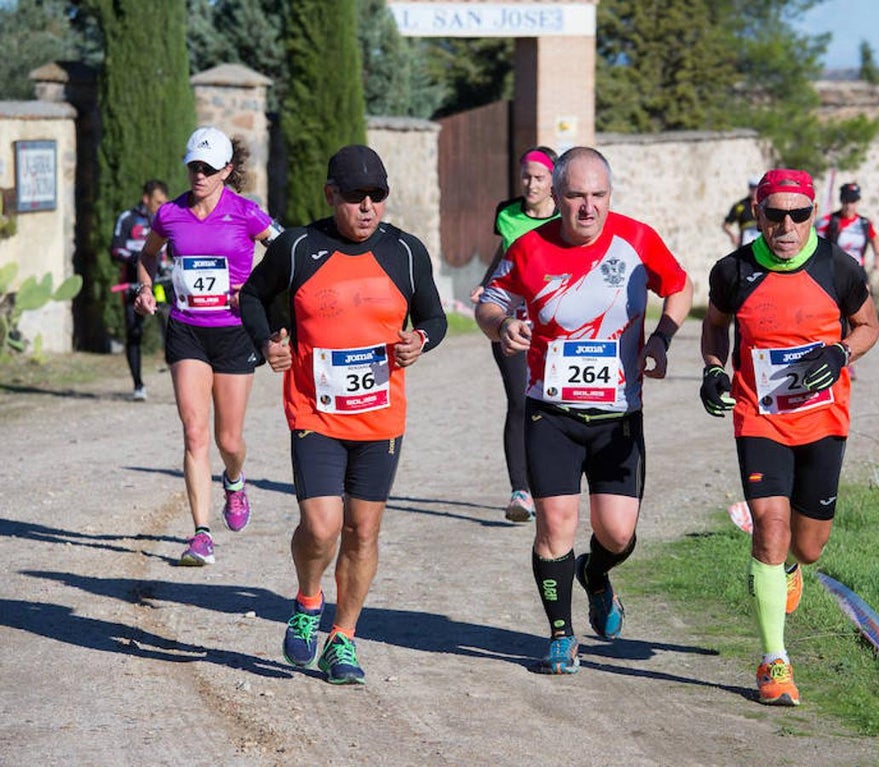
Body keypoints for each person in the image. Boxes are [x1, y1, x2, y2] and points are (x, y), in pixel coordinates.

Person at [475, 146, 693, 674]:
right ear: (557, 194)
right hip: (551, 412)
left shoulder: (637, 239)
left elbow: (681, 286)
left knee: (617, 534)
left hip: (619, 414)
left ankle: (596, 577)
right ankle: (560, 635)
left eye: (598, 195)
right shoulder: (527, 247)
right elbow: (489, 300)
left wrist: (662, 338)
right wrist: (502, 326)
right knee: (555, 525)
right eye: (575, 195)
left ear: (609, 196)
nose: (587, 207)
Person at [240, 145, 446, 685]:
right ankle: (308, 604)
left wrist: (419, 340)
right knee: (321, 524)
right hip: (315, 412)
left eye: (377, 196)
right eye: (355, 197)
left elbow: (435, 316)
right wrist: (267, 344)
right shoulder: (299, 247)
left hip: (380, 420)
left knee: (362, 530)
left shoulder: (405, 252)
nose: (367, 207)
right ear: (331, 195)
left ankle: (344, 640)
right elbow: (251, 296)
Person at [699, 169, 879, 706]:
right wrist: (714, 369)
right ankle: (774, 662)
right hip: (760, 417)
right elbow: (714, 325)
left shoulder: (837, 267)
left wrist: (840, 351)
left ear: (811, 216)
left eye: (798, 214)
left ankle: (794, 568)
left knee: (809, 544)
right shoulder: (733, 271)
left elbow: (868, 325)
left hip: (823, 421)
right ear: (757, 213)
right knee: (770, 529)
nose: (786, 224)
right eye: (774, 213)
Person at [134, 126, 281, 566]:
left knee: (228, 439)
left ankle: (234, 482)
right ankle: (200, 533)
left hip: (234, 332)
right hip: (187, 329)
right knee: (195, 433)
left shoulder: (247, 213)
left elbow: (286, 250)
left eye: (208, 168)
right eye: (193, 166)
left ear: (226, 171)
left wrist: (254, 291)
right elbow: (147, 255)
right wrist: (146, 289)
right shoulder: (170, 214)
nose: (198, 175)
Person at [468, 146, 560, 522]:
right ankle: (520, 491)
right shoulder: (506, 213)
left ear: (553, 181)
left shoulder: (564, 217)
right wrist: (487, 285)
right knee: (520, 401)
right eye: (526, 176)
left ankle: (553, 486)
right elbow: (505, 253)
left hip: (554, 322)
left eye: (539, 177)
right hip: (511, 318)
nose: (531, 183)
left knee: (552, 403)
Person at [110, 179, 169, 401]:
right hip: (132, 284)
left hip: (160, 284)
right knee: (134, 333)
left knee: (170, 323)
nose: (159, 206)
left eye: (163, 202)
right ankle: (138, 385)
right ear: (146, 199)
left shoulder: (163, 218)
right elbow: (115, 249)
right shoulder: (127, 218)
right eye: (156, 202)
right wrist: (137, 257)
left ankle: (175, 365)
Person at [815, 182, 879, 272]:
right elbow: (814, 240)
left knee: (866, 286)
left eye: (852, 202)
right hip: (835, 270)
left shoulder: (864, 223)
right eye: (846, 201)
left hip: (858, 270)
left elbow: (874, 238)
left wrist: (877, 255)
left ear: (857, 202)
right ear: (841, 201)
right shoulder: (829, 221)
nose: (849, 206)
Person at [722, 178, 760, 247]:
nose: (755, 191)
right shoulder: (740, 206)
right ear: (749, 188)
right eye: (752, 188)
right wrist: (733, 236)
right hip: (745, 243)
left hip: (761, 243)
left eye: (757, 188)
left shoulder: (765, 205)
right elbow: (726, 225)